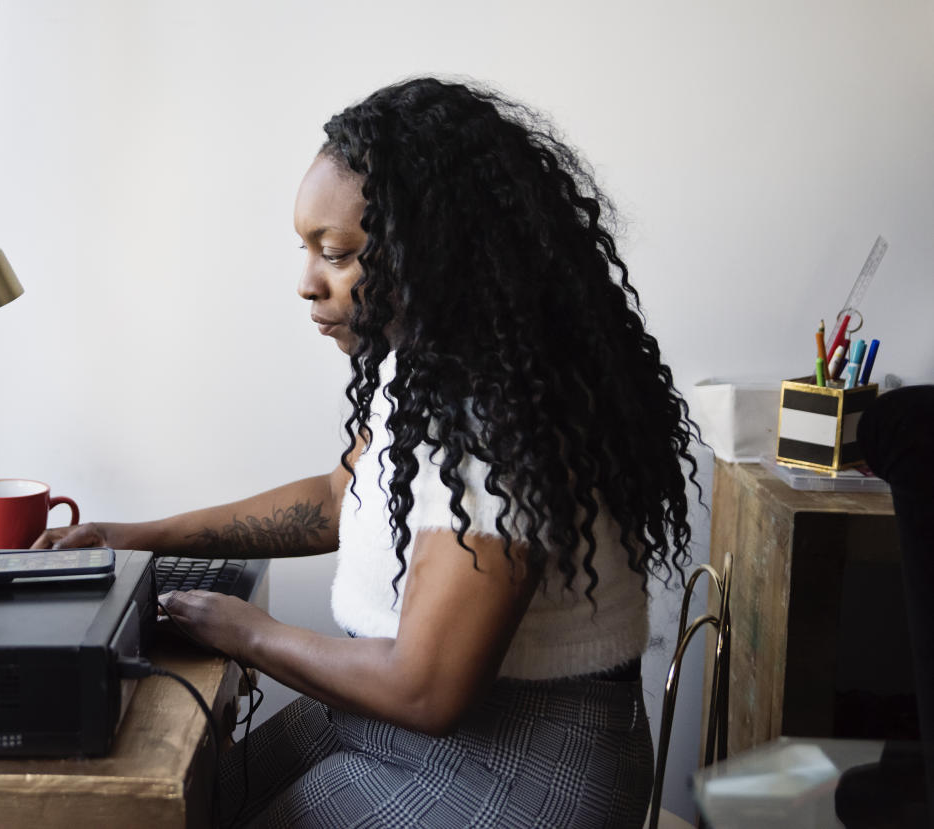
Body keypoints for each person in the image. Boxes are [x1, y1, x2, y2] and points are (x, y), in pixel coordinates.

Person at [34, 77, 700, 828]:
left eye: (339, 253)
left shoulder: (494, 418)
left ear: (437, 253)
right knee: (195, 802)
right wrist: (135, 537)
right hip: (398, 721)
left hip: (517, 760)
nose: (307, 283)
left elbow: (427, 687)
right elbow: (337, 496)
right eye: (307, 249)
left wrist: (247, 631)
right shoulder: (423, 364)